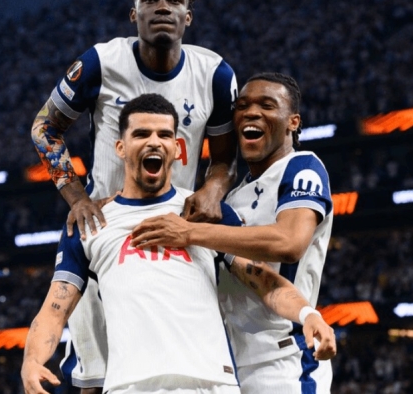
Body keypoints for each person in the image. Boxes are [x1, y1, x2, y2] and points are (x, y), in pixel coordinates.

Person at [21, 94, 333, 394]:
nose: (154, 141)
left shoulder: (206, 213)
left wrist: (308, 314)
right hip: (129, 386)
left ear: (177, 148)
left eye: (164, 135)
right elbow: (54, 311)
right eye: (141, 134)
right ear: (120, 147)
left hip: (212, 384)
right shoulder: (90, 224)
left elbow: (263, 279)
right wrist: (32, 360)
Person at [29, 0, 237, 391]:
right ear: (133, 14)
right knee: (92, 373)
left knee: (189, 360)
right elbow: (44, 127)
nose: (162, 6)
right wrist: (77, 198)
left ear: (188, 16)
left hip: (179, 229)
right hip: (105, 228)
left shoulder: (214, 73)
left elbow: (225, 158)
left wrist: (213, 190)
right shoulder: (101, 62)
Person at [131, 73, 337, 393]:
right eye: (242, 106)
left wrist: (191, 232)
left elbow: (290, 243)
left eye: (267, 105)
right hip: (231, 365)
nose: (251, 112)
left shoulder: (302, 167)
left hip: (286, 360)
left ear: (293, 122)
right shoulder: (232, 199)